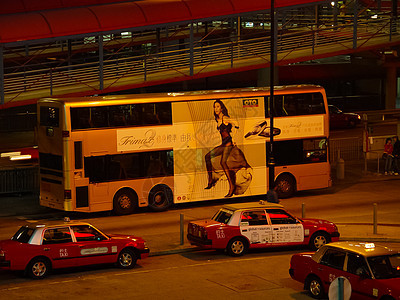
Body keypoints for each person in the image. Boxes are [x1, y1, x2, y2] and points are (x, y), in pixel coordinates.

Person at [204, 99, 251, 197]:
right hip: (223, 144)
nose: (215, 108)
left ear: (221, 108)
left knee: (223, 162)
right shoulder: (217, 119)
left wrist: (234, 137)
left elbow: (236, 124)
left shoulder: (225, 118)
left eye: (217, 106)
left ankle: (232, 187)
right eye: (214, 107)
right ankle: (210, 180)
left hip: (228, 144)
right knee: (207, 156)